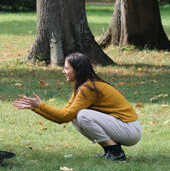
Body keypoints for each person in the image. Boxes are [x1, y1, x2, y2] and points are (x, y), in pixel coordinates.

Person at [12, 52, 141, 161]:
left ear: (77, 70)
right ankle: (110, 151)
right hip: (124, 128)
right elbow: (63, 116)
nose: (63, 71)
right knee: (76, 117)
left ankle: (115, 152)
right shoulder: (83, 86)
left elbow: (65, 116)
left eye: (67, 68)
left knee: (82, 115)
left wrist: (41, 105)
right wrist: (36, 108)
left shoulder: (88, 88)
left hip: (130, 130)